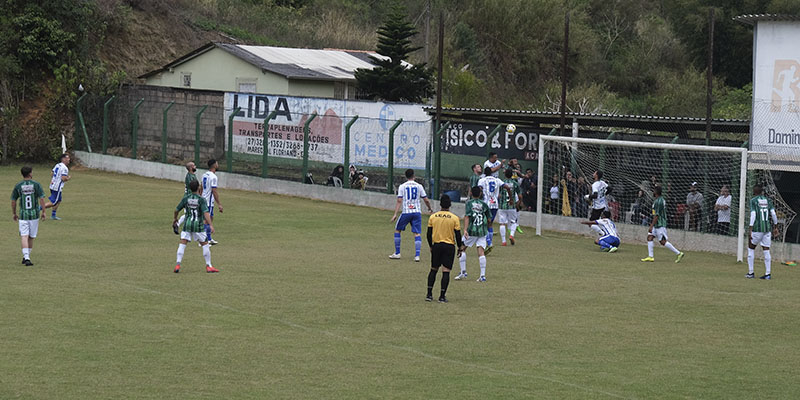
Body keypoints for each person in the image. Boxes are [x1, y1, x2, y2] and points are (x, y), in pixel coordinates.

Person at [425, 194, 464, 303]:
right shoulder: (454, 218)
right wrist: (460, 247)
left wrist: (431, 246)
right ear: (450, 205)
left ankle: (429, 294)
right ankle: (442, 296)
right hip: (449, 246)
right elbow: (458, 235)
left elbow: (428, 234)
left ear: (440, 204)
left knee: (433, 269)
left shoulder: (433, 217)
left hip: (436, 245)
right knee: (446, 271)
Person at [173, 180, 217, 273]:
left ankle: (177, 264)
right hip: (198, 225)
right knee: (205, 244)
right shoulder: (201, 199)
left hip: (187, 224)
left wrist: (175, 219)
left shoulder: (186, 198)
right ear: (198, 188)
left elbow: (176, 209)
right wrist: (210, 224)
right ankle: (209, 265)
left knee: (182, 243)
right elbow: (206, 213)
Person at [390, 169, 432, 262]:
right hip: (417, 212)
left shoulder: (402, 186)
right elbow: (426, 199)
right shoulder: (419, 186)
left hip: (406, 212)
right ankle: (417, 256)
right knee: (417, 233)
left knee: (397, 230)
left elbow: (399, 200)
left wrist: (395, 214)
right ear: (414, 176)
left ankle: (397, 253)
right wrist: (429, 208)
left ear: (406, 176)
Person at [11, 166, 47, 266]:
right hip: (34, 214)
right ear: (30, 173)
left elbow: (13, 200)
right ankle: (27, 257)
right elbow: (42, 199)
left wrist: (14, 213)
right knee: (31, 237)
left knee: (24, 236)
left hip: (23, 215)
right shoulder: (36, 185)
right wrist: (44, 211)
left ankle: (26, 257)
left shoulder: (18, 186)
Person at [455, 186, 492, 282]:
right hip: (482, 231)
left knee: (461, 249)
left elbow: (467, 216)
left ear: (471, 193)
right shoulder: (484, 204)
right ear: (480, 194)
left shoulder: (469, 203)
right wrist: (487, 228)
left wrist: (465, 229)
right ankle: (482, 276)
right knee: (481, 252)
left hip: (472, 230)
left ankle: (463, 272)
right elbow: (489, 219)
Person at [641, 185, 685, 263]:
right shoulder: (659, 200)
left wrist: (651, 225)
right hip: (656, 224)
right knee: (649, 237)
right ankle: (650, 257)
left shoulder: (659, 201)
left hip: (660, 224)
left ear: (656, 192)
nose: (653, 192)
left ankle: (678, 253)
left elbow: (657, 215)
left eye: (654, 191)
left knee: (662, 242)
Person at [746, 184, 779, 280]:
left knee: (751, 248)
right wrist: (776, 226)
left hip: (757, 228)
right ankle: (768, 274)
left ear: (754, 191)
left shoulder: (753, 201)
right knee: (766, 250)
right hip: (767, 229)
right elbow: (773, 214)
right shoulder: (768, 200)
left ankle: (751, 272)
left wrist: (750, 228)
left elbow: (753, 214)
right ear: (761, 192)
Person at [477, 166, 511, 251]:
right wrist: (511, 198)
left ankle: (489, 242)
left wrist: (478, 199)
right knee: (490, 223)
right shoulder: (497, 180)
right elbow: (507, 187)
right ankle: (489, 243)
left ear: (484, 173)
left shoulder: (482, 180)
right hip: (495, 204)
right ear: (491, 173)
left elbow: (479, 190)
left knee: (483, 224)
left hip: (486, 204)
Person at [201, 159, 223, 245]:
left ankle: (209, 239)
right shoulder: (213, 177)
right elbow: (214, 191)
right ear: (214, 165)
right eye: (217, 163)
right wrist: (219, 204)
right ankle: (203, 240)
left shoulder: (204, 174)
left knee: (211, 218)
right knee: (206, 220)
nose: (218, 164)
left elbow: (201, 186)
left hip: (204, 199)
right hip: (208, 201)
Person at [174, 162, 199, 234]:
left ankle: (178, 225)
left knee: (188, 214)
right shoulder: (190, 177)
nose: (195, 166)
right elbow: (193, 188)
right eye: (194, 165)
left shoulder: (192, 175)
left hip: (191, 197)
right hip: (189, 197)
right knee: (189, 214)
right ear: (191, 168)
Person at [43, 153, 71, 220]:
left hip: (52, 185)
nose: (69, 159)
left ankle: (53, 215)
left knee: (58, 200)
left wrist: (55, 179)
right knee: (53, 202)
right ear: (63, 159)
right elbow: (63, 178)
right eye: (67, 158)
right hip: (57, 187)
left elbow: (52, 173)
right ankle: (37, 209)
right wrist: (68, 178)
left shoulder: (58, 165)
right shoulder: (65, 168)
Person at [498, 169, 521, 246]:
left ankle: (503, 241)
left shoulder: (501, 183)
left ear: (505, 175)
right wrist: (519, 203)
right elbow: (520, 195)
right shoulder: (515, 183)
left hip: (502, 206)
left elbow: (499, 194)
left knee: (502, 223)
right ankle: (511, 235)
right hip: (512, 205)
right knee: (513, 222)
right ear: (512, 175)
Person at [584, 170, 609, 235]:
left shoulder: (595, 185)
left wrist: (588, 196)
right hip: (603, 205)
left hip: (597, 207)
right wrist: (603, 194)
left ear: (596, 175)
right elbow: (610, 188)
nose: (593, 174)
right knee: (599, 221)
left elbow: (595, 195)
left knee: (591, 223)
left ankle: (603, 233)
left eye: (594, 173)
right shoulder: (603, 183)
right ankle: (604, 232)